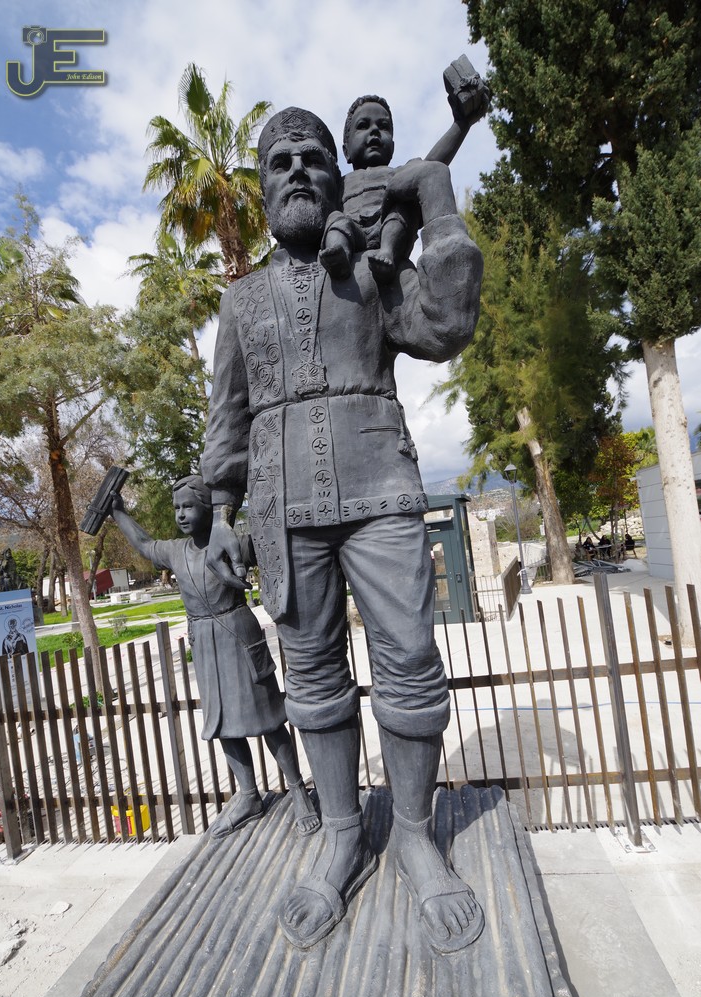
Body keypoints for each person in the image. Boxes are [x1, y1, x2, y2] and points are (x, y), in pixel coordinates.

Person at [200, 107, 484, 953]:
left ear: (336, 178)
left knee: (410, 660)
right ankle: (339, 833)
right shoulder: (240, 302)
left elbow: (447, 325)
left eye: (312, 158)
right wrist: (220, 513)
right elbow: (227, 417)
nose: (296, 169)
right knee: (312, 675)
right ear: (262, 189)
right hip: (281, 504)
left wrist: (434, 193)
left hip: (378, 485)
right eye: (279, 161)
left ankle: (414, 836)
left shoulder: (370, 268)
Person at [110, 477, 319, 840]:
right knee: (221, 723)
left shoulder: (232, 541)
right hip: (204, 641)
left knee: (269, 718)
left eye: (188, 507)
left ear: (209, 508)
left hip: (238, 633)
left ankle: (298, 789)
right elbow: (144, 544)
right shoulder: (175, 551)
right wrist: (118, 512)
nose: (181, 514)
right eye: (177, 508)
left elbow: (273, 543)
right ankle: (249, 795)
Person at [320, 58, 489, 284]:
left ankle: (387, 254)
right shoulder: (339, 183)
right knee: (335, 219)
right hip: (352, 232)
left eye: (383, 126)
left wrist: (461, 124)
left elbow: (432, 166)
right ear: (346, 150)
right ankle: (338, 252)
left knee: (401, 212)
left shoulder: (400, 173)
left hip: (388, 232)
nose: (374, 131)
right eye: (363, 126)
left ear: (393, 147)